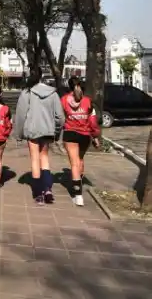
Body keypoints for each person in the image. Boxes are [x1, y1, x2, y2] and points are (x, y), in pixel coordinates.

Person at [13, 66, 64, 205]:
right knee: (44, 158)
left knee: (35, 159)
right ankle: (48, 190)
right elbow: (59, 116)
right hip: (48, 130)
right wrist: (57, 131)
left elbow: (21, 114)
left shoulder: (27, 92)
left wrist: (19, 133)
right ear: (42, 76)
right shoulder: (53, 93)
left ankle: (38, 194)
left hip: (32, 130)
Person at [60, 76, 101, 206]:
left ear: (69, 86)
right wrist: (95, 136)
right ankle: (79, 180)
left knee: (74, 163)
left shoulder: (64, 100)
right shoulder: (88, 102)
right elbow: (93, 122)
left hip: (70, 133)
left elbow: (60, 117)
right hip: (84, 135)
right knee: (80, 160)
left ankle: (78, 195)